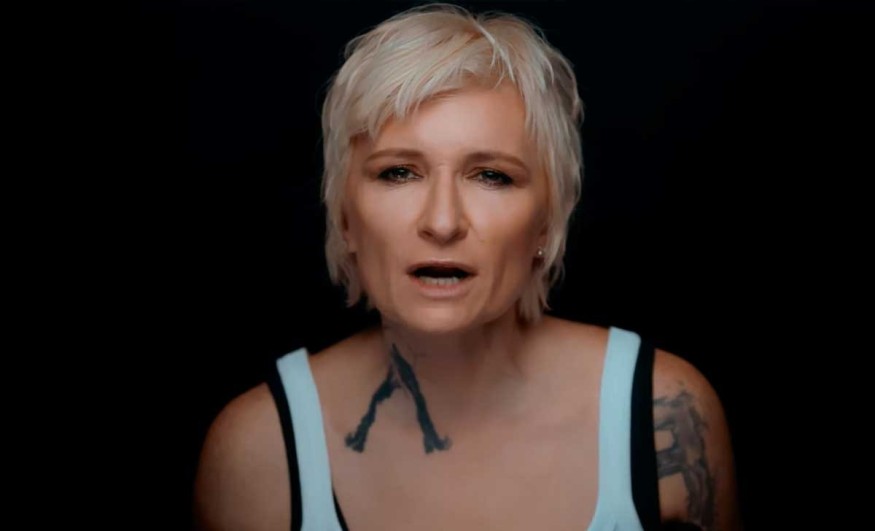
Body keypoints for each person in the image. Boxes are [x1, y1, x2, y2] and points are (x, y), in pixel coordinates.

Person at [193, 4, 741, 530]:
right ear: (344, 218)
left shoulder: (663, 416)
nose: (443, 222)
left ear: (547, 223)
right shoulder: (259, 448)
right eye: (398, 172)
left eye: (492, 176)